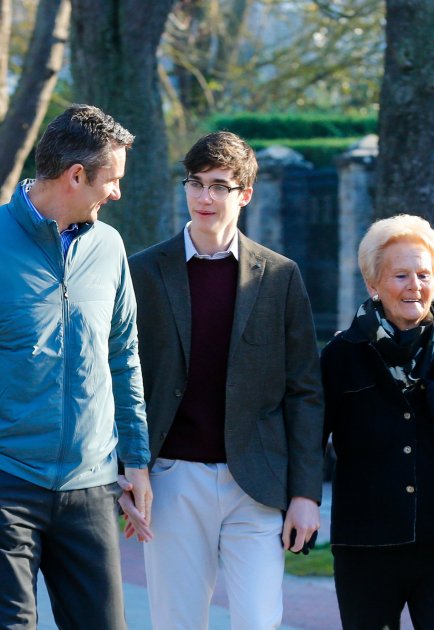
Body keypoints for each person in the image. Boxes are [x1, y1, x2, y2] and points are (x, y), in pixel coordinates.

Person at [126, 131, 324, 630]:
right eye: (195, 183)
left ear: (245, 194)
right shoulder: (144, 271)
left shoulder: (279, 276)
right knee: (177, 622)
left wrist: (306, 493)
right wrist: (130, 467)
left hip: (255, 484)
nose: (204, 198)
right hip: (172, 479)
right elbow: (124, 378)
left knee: (258, 621)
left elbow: (304, 390)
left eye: (219, 186)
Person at [0, 104, 152, 629]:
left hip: (90, 485)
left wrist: (136, 461)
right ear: (76, 176)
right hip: (8, 483)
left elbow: (123, 355)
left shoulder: (110, 247)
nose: (116, 193)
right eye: (112, 180)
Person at [321, 214, 434, 630]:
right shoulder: (342, 355)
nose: (414, 286)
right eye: (400, 275)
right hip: (365, 546)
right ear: (373, 284)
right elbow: (312, 439)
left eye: (424, 274)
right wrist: (301, 503)